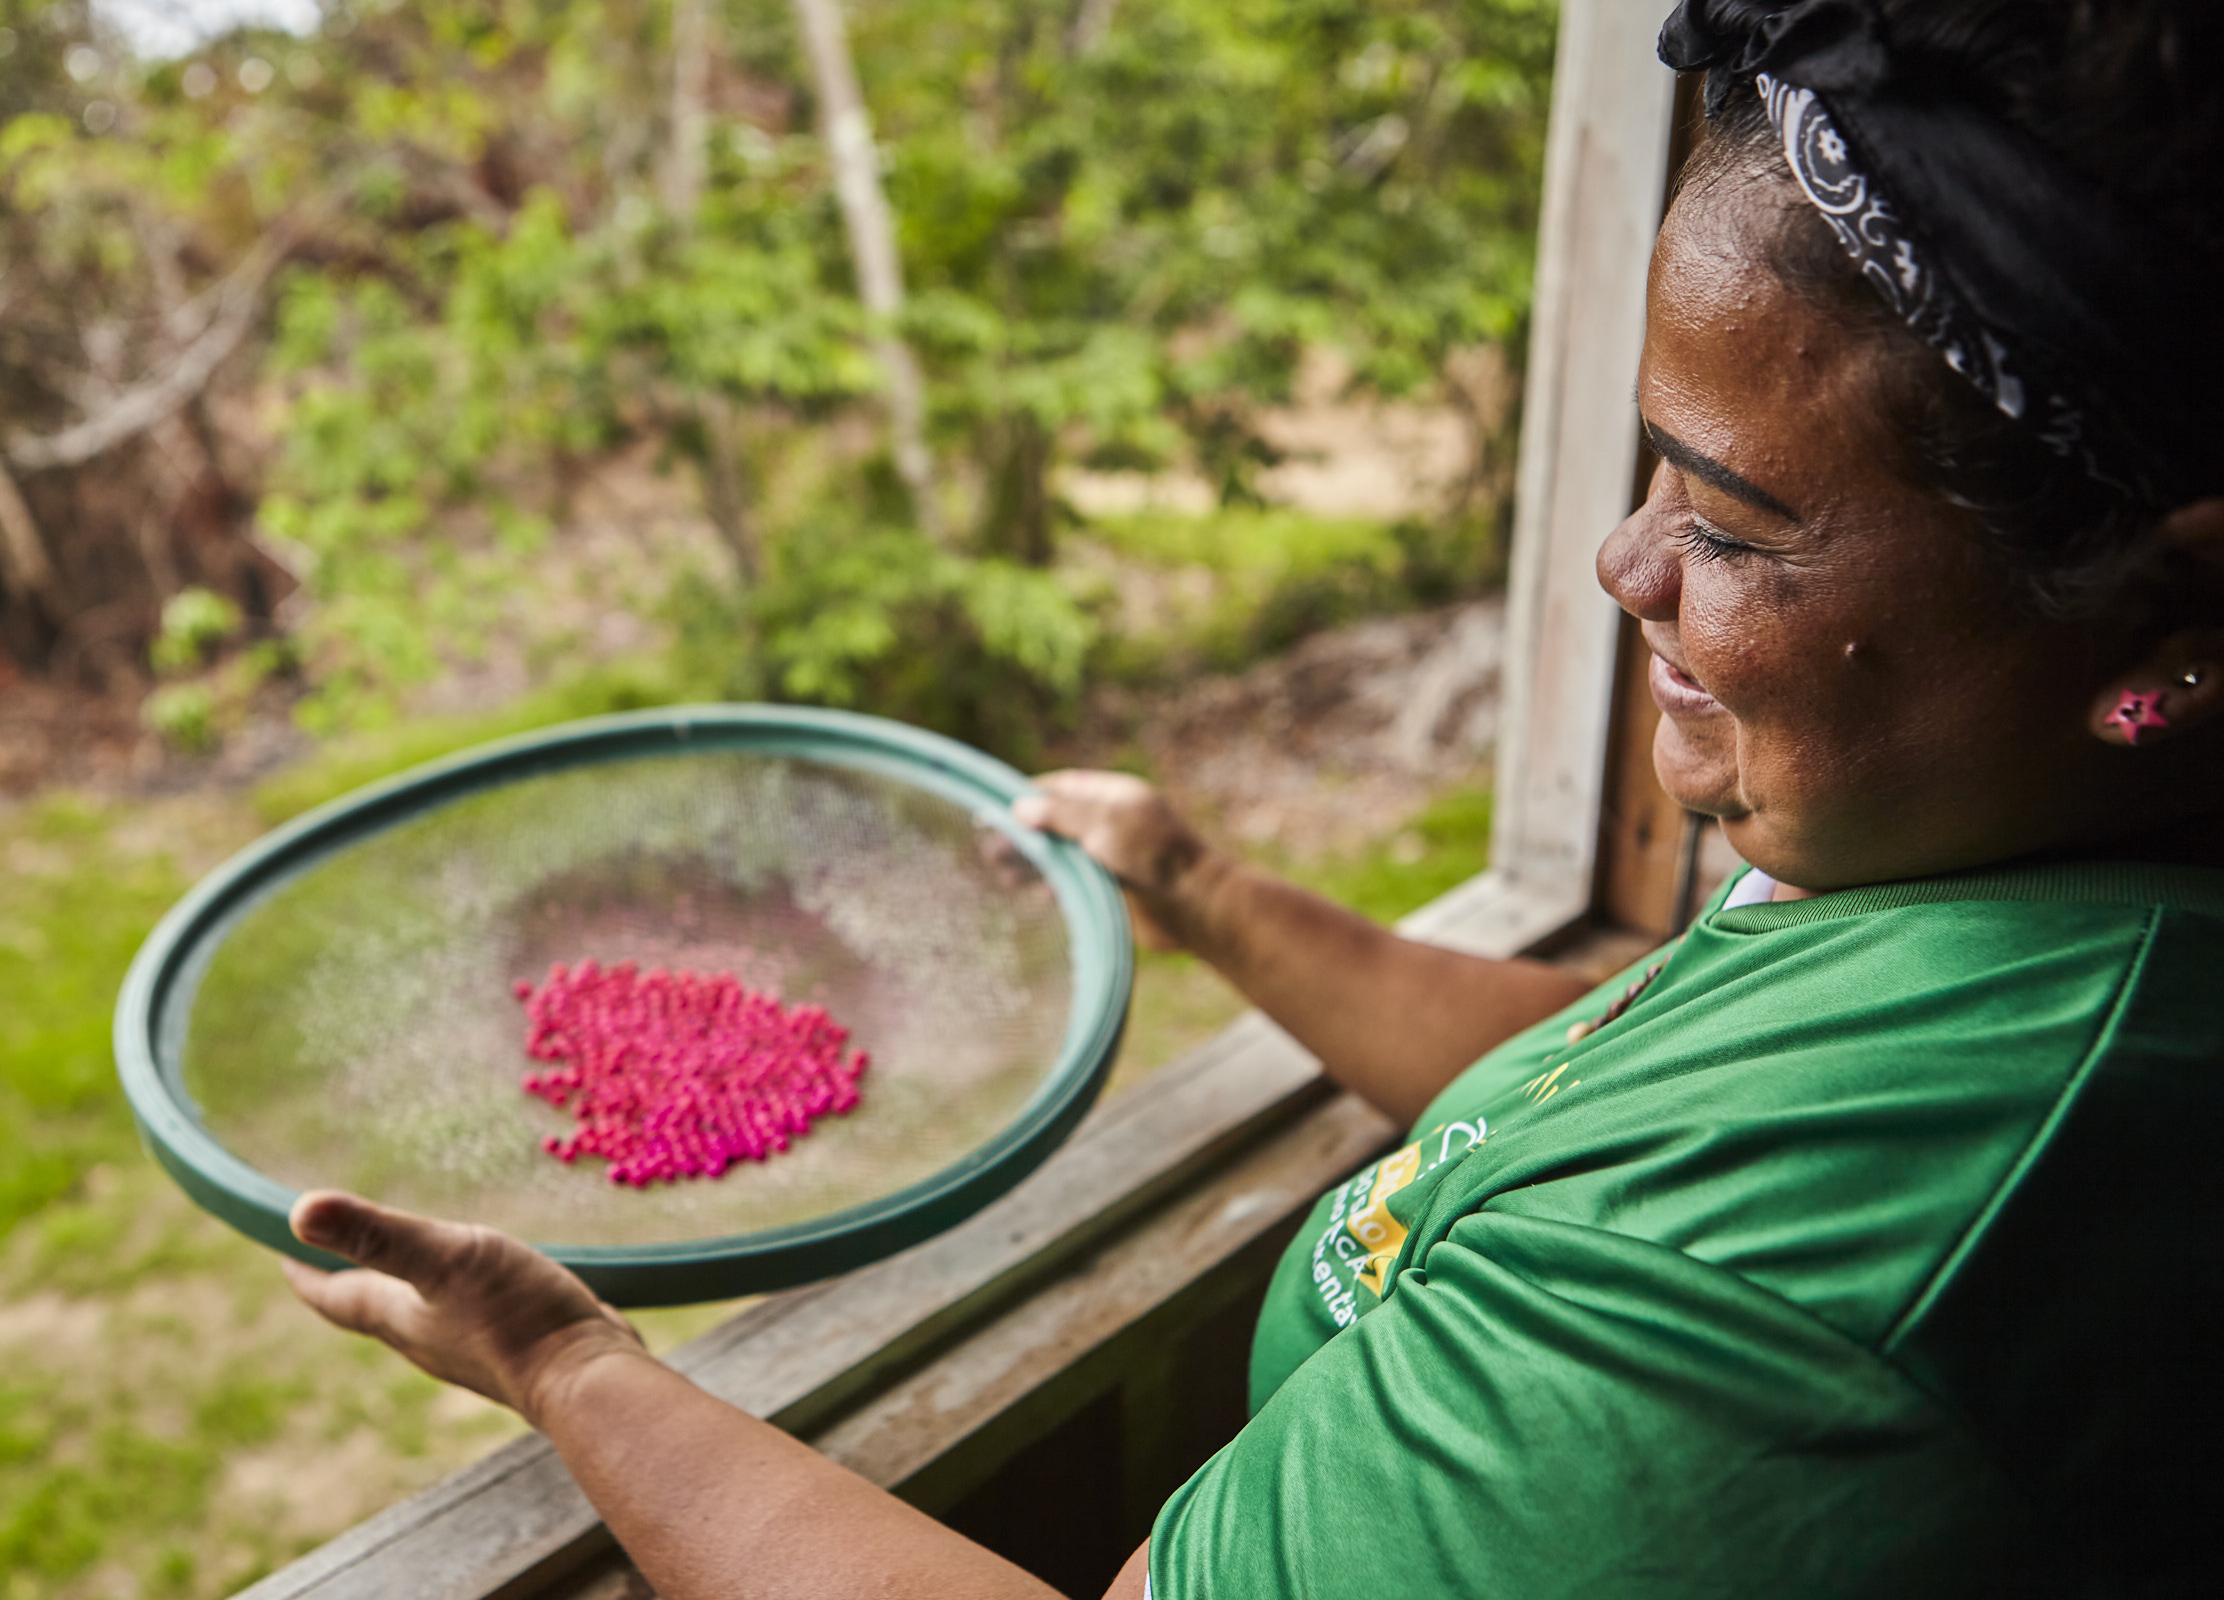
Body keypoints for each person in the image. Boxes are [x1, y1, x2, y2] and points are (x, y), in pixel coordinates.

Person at [283, 1, 2224, 1593]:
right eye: (1651, 470)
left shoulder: (1813, 1284)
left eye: (1733, 523)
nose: (1629, 566)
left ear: (2168, 619)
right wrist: (1195, 874)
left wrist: (572, 1366)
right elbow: (1604, 1072)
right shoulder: (1989, 871)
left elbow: (1696, 1188)